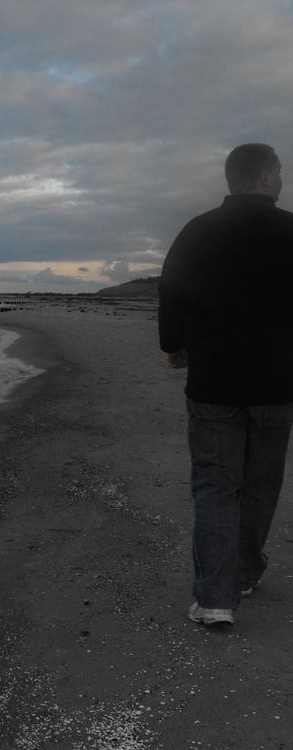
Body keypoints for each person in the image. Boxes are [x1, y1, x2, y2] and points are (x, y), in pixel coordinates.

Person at [159, 142, 293, 627]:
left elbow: (172, 290)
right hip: (278, 381)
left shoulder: (199, 230)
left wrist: (172, 342)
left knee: (216, 487)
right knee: (261, 485)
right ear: (261, 176)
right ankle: (244, 573)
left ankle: (216, 597)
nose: (281, 179)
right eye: (278, 172)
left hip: (215, 379)